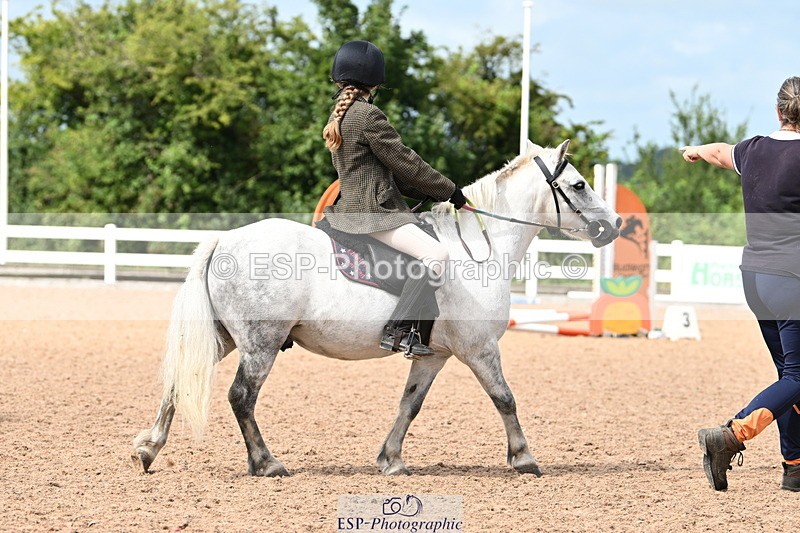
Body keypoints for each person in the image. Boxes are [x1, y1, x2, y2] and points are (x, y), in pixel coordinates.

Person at [681, 76, 800, 492]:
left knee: (788, 375)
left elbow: (717, 152)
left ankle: (795, 465)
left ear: (778, 111)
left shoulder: (752, 150)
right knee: (798, 376)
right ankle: (730, 436)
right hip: (792, 280)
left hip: (756, 280)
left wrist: (694, 150)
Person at [321, 40, 467, 357]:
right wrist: (452, 191)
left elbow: (382, 173)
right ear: (376, 81)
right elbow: (406, 162)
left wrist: (429, 192)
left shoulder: (341, 116)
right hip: (374, 214)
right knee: (436, 256)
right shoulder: (369, 116)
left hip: (348, 209)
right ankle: (399, 328)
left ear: (339, 78)